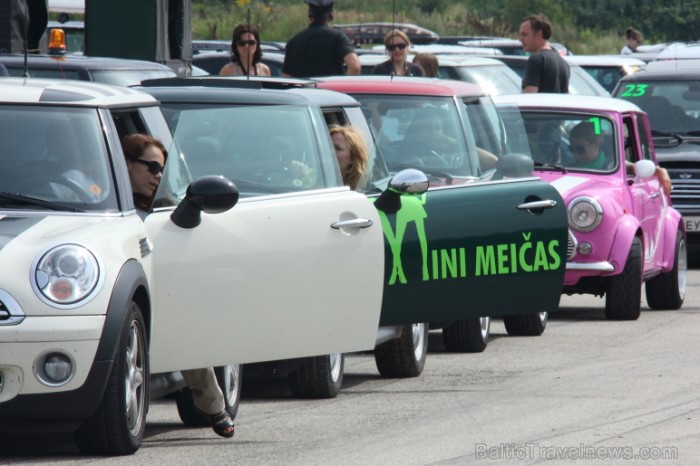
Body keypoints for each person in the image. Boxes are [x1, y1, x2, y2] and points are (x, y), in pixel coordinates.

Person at [121, 134, 235, 439]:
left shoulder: (164, 208)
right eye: (152, 167)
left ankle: (214, 406)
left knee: (184, 325)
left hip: (159, 292)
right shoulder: (100, 203)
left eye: (163, 171)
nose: (158, 176)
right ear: (126, 163)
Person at [282, 0, 360, 78]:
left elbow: (286, 77)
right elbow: (354, 66)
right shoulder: (337, 37)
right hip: (330, 89)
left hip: (301, 89)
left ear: (309, 15)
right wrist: (344, 87)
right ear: (332, 14)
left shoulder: (294, 41)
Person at [519, 14, 569, 93]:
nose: (520, 39)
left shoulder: (536, 60)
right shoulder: (563, 62)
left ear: (538, 34)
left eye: (524, 35)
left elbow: (529, 99)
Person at [329, 124, 368, 190]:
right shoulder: (311, 181)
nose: (330, 151)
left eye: (338, 148)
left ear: (353, 158)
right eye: (328, 145)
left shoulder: (359, 195)